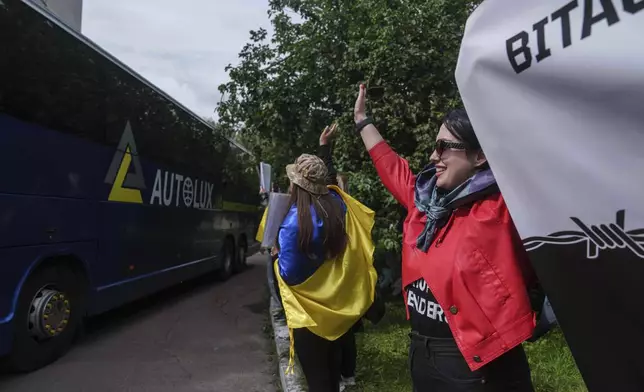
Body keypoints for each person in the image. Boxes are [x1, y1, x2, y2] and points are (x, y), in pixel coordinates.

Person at [353, 84, 537, 391]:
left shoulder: (500, 210)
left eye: (444, 147)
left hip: (479, 365)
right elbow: (390, 166)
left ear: (479, 155)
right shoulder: (424, 202)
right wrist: (362, 120)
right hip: (422, 353)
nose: (433, 155)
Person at [274, 153, 377, 392]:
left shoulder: (293, 224)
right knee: (332, 374)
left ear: (296, 185)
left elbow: (290, 274)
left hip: (310, 316)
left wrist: (277, 255)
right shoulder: (340, 205)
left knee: (318, 380)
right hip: (339, 308)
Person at [318, 124, 359, 390]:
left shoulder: (336, 205)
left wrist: (324, 149)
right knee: (345, 329)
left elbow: (328, 180)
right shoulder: (342, 204)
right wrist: (324, 148)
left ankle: (342, 376)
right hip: (343, 278)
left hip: (337, 278)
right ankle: (346, 375)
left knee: (338, 331)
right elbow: (330, 179)